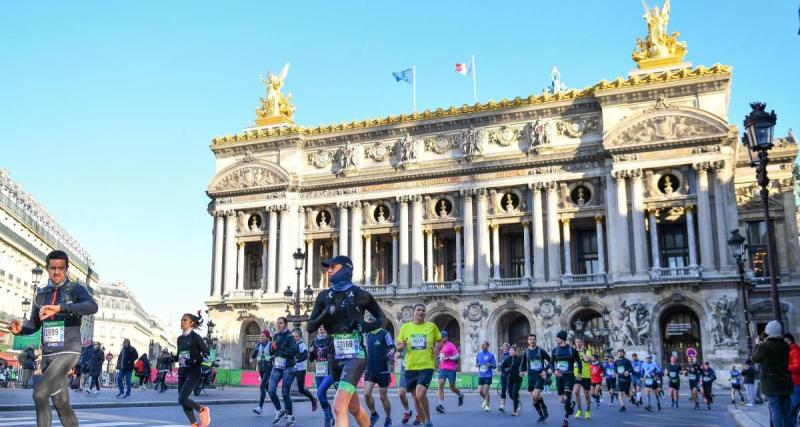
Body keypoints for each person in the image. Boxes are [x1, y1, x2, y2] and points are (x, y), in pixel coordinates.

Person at [8, 250, 99, 427]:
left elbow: (92, 306)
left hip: (68, 350)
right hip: (49, 354)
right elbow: (34, 323)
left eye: (60, 268)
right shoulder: (41, 293)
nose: (56, 272)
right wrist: (20, 330)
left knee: (40, 394)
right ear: (47, 268)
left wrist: (60, 308)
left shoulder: (75, 289)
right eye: (52, 268)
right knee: (61, 403)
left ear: (66, 269)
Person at [307, 255, 387, 427]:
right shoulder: (323, 296)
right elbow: (310, 327)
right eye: (328, 268)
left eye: (332, 267)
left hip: (355, 354)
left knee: (338, 406)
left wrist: (364, 326)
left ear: (346, 269)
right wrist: (325, 313)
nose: (328, 271)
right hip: (333, 355)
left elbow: (383, 319)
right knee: (354, 407)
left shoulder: (362, 295)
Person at [395, 304, 441, 427]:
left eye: (423, 310)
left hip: (427, 366)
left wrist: (437, 349)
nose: (421, 312)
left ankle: (428, 420)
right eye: (418, 310)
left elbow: (440, 340)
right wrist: (401, 347)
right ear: (413, 313)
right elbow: (398, 347)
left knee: (420, 394)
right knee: (416, 399)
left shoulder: (431, 326)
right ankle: (423, 419)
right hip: (410, 367)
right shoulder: (405, 327)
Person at [752, 321, 794, 427]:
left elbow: (755, 358)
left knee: (775, 410)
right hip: (785, 382)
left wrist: (757, 345)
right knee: (786, 411)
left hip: (771, 384)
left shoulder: (765, 346)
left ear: (768, 332)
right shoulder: (786, 346)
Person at [176, 311, 211, 427]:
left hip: (193, 371)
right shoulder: (179, 338)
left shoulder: (196, 337)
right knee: (182, 401)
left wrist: (195, 360)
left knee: (182, 398)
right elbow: (179, 355)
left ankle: (202, 410)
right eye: (181, 319)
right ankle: (194, 425)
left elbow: (206, 352)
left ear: (191, 323)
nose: (182, 322)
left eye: (185, 320)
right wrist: (172, 358)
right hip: (182, 371)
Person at [268, 317, 302, 426]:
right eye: (277, 323)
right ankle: (279, 411)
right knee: (271, 390)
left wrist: (282, 349)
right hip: (277, 366)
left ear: (286, 324)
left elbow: (294, 351)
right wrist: (272, 348)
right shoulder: (276, 336)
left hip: (288, 367)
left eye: (281, 323)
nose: (278, 325)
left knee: (285, 393)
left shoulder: (290, 336)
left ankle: (291, 418)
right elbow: (272, 351)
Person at [364, 322, 395, 427]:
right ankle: (374, 414)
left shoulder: (385, 333)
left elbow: (392, 347)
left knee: (383, 397)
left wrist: (391, 353)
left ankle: (388, 418)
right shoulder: (367, 335)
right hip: (370, 368)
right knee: (366, 393)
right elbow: (366, 349)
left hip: (383, 369)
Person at [551, 330, 582, 427]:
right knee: (562, 400)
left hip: (569, 376)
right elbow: (551, 363)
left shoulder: (572, 350)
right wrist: (554, 371)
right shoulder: (555, 350)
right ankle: (571, 404)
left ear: (562, 338)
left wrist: (579, 373)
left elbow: (579, 362)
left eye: (557, 337)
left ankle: (566, 419)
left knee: (566, 396)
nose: (556, 339)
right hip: (559, 377)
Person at [519, 334, 550, 423]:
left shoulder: (541, 351)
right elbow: (522, 363)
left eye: (534, 339)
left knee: (536, 395)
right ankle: (541, 415)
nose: (532, 341)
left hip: (539, 376)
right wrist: (521, 370)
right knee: (534, 399)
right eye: (530, 339)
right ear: (528, 341)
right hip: (531, 377)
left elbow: (550, 360)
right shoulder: (526, 352)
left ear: (536, 341)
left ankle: (544, 407)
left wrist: (545, 370)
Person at [310, 326, 335, 427]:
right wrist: (311, 352)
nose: (320, 327)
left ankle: (327, 418)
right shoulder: (314, 341)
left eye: (323, 326)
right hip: (319, 371)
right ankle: (331, 417)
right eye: (319, 326)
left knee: (320, 393)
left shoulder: (331, 339)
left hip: (329, 371)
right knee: (322, 395)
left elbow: (335, 354)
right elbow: (311, 359)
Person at [434, 330, 464, 415]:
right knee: (440, 385)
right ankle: (440, 405)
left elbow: (458, 355)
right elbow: (437, 355)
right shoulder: (438, 345)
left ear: (447, 337)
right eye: (441, 337)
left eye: (444, 337)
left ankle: (460, 395)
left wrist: (449, 358)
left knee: (452, 388)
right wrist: (437, 357)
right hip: (442, 368)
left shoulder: (450, 345)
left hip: (451, 369)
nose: (442, 338)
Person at [291, 329, 319, 412]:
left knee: (301, 389)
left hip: (300, 369)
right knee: (286, 387)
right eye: (293, 336)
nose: (295, 338)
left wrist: (297, 360)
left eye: (297, 336)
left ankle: (313, 399)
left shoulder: (302, 344)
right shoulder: (290, 344)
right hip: (291, 368)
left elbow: (305, 356)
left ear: (300, 337)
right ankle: (287, 409)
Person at [252, 330, 273, 415]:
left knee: (262, 385)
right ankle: (277, 407)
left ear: (267, 337)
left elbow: (274, 354)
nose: (261, 338)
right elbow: (253, 356)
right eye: (261, 336)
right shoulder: (258, 344)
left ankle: (260, 407)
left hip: (268, 368)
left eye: (263, 336)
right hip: (261, 368)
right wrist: (255, 350)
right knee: (268, 388)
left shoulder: (271, 344)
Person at [571, 338, 592, 420]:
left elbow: (587, 360)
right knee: (576, 392)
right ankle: (579, 410)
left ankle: (587, 410)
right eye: (576, 342)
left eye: (579, 342)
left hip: (586, 375)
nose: (578, 343)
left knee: (586, 394)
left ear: (582, 343)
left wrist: (581, 352)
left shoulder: (587, 351)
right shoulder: (573, 352)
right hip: (577, 375)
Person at [501, 346, 523, 416]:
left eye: (512, 350)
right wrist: (505, 371)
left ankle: (515, 411)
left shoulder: (519, 359)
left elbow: (524, 366)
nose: (511, 352)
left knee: (514, 394)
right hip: (510, 379)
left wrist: (522, 371)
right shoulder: (507, 359)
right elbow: (502, 367)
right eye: (510, 351)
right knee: (510, 394)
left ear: (515, 351)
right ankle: (518, 401)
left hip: (518, 379)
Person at [475, 341, 496, 412]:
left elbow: (495, 366)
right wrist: (477, 365)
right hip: (481, 375)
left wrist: (490, 364)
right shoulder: (479, 354)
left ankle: (487, 405)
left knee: (486, 390)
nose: (483, 346)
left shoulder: (491, 355)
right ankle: (486, 400)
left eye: (485, 345)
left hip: (488, 375)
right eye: (482, 345)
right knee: (480, 391)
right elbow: (476, 364)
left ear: (487, 346)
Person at [394, 349, 414, 425]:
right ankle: (408, 412)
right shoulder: (403, 340)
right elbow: (398, 353)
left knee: (416, 395)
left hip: (416, 370)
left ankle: (419, 414)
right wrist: (398, 355)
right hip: (404, 370)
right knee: (401, 393)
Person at [784, 333, 800, 420]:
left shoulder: (794, 351)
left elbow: (798, 366)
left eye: (786, 341)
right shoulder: (790, 351)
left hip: (796, 382)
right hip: (793, 382)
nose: (784, 343)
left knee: (794, 407)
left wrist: (785, 367)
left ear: (790, 341)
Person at [497, 343, 511, 412]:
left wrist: (507, 369)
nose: (504, 348)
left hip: (510, 375)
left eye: (506, 346)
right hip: (503, 375)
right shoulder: (501, 355)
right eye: (503, 346)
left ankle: (518, 402)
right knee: (503, 390)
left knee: (511, 392)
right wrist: (500, 366)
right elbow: (500, 364)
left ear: (508, 348)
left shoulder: (510, 355)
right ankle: (502, 406)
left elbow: (512, 365)